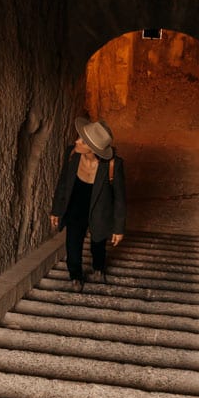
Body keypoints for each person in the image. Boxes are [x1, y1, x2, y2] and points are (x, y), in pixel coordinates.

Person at [49, 118, 126, 291]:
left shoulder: (113, 165)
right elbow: (63, 184)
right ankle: (75, 276)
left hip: (100, 210)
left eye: (82, 141)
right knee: (72, 245)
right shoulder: (72, 154)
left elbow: (120, 198)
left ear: (93, 148)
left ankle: (98, 268)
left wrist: (118, 228)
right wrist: (56, 210)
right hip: (75, 207)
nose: (76, 141)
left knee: (98, 244)